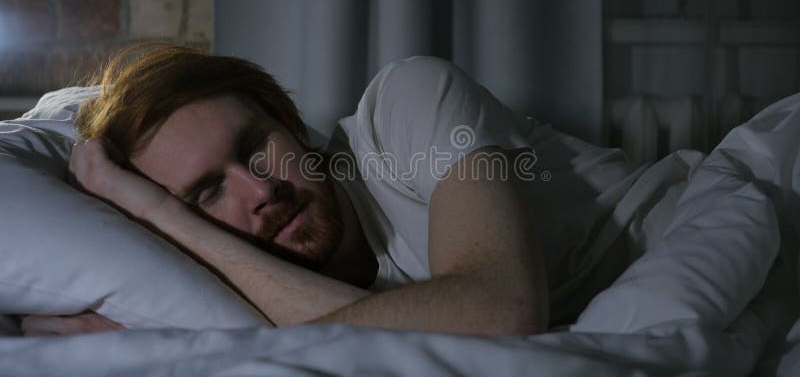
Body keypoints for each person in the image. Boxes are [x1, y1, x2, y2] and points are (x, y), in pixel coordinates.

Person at [21, 45, 636, 337]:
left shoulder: (406, 105)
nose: (261, 189)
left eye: (255, 148)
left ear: (290, 125)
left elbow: (500, 310)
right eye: (208, 193)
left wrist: (166, 210)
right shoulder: (243, 287)